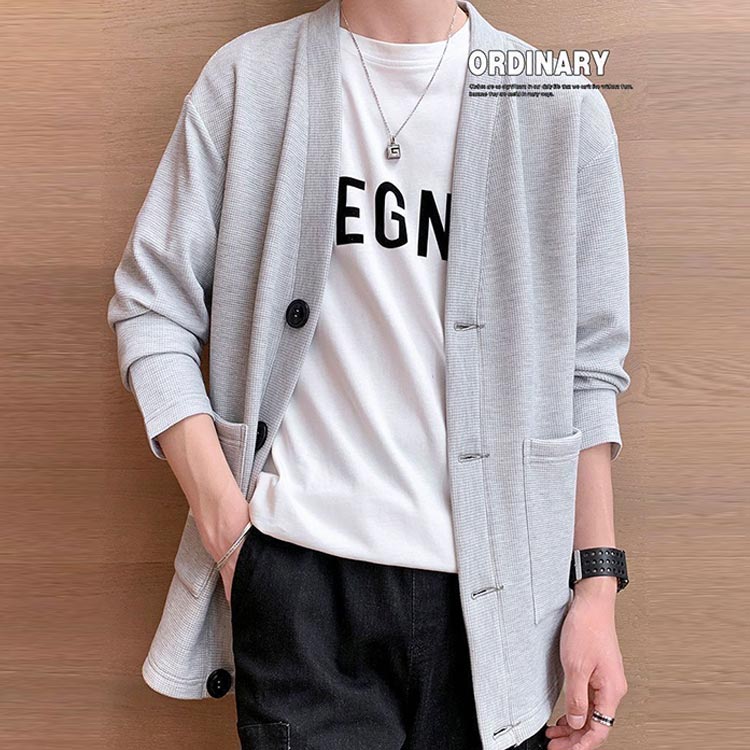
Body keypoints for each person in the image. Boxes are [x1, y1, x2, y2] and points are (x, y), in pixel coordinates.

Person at [106, 1, 632, 748]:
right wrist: (228, 533)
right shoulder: (249, 80)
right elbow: (151, 306)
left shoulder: (558, 106)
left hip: (501, 609)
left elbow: (589, 373)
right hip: (300, 582)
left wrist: (596, 591)